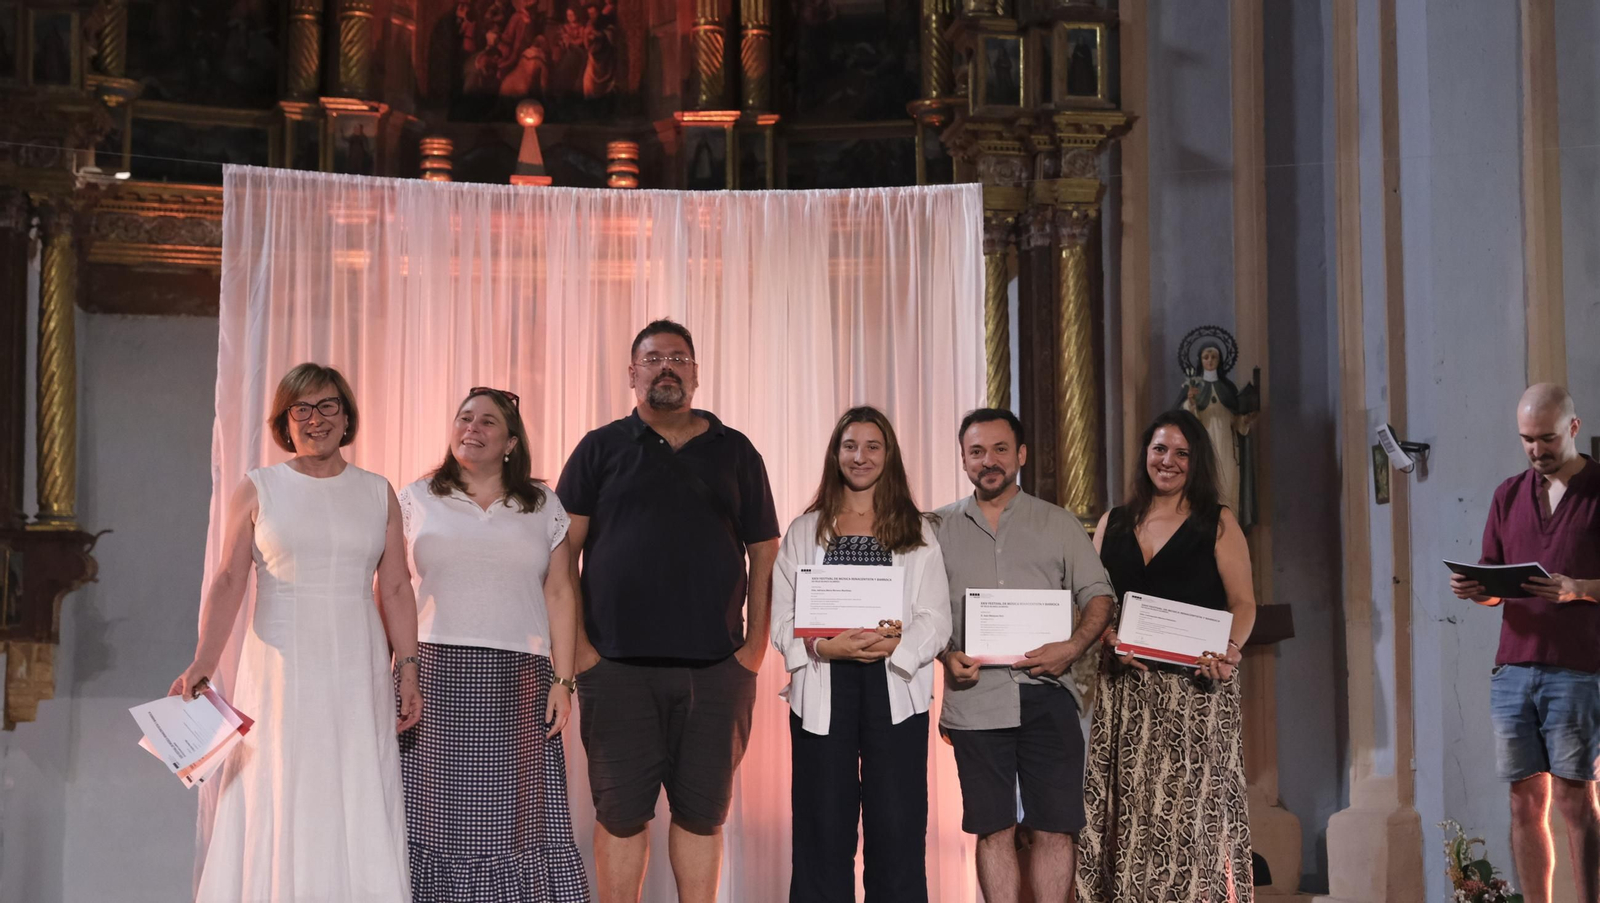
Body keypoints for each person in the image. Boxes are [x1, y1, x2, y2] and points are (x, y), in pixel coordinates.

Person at [171, 362, 421, 903]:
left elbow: (397, 587)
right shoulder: (259, 487)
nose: (315, 419)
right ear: (285, 421)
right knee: (281, 780)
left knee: (355, 777)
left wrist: (408, 669)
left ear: (346, 414)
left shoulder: (378, 492)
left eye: (327, 405)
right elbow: (231, 578)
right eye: (301, 409)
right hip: (280, 663)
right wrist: (203, 661)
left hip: (358, 660)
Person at [556, 319, 780, 903]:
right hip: (616, 669)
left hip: (716, 670)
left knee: (702, 816)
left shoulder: (736, 451)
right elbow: (561, 556)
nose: (666, 368)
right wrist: (581, 651)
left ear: (696, 374)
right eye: (653, 359)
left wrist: (754, 649)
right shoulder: (599, 448)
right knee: (621, 817)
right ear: (633, 374)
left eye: (678, 358)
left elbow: (765, 553)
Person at [397, 387, 589, 902]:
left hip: (518, 680)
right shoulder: (414, 498)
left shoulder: (543, 504)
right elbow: (389, 590)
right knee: (432, 813)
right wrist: (396, 668)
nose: (472, 429)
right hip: (432, 674)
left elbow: (561, 592)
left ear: (510, 441)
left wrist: (563, 680)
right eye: (464, 419)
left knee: (516, 817)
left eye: (486, 422)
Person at [771, 406, 952, 903]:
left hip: (894, 685)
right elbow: (782, 617)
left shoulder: (916, 530)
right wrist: (825, 645)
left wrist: (898, 644)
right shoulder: (805, 530)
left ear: (888, 456)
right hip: (823, 684)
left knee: (897, 827)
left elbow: (936, 618)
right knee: (821, 826)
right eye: (850, 446)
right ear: (836, 454)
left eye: (873, 446)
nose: (861, 456)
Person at [933, 408, 1114, 903]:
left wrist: (1073, 647)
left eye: (999, 450)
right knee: (991, 829)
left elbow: (1099, 596)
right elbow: (921, 612)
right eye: (976, 452)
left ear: (1021, 455)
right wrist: (947, 654)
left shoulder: (1057, 523)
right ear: (964, 458)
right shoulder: (936, 528)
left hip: (1049, 695)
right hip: (975, 701)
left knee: (1056, 828)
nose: (988, 461)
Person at [1076, 409, 1257, 902]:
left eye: (1181, 452)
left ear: (1195, 461)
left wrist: (1231, 648)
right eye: (1160, 449)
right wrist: (1106, 634)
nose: (1169, 461)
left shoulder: (1215, 522)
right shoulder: (1112, 522)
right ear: (1145, 455)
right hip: (1126, 696)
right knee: (1129, 815)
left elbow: (1243, 602)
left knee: (1186, 821)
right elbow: (1094, 603)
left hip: (1195, 695)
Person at [1451, 383, 1600, 903]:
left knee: (1575, 799)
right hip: (1513, 667)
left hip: (1578, 668)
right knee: (1523, 801)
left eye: (1548, 439)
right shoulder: (1507, 495)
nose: (1537, 450)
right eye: (1527, 440)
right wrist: (1478, 592)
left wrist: (1578, 588)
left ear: (1573, 428)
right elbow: (1495, 584)